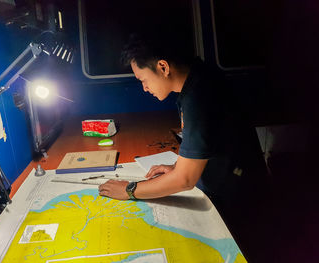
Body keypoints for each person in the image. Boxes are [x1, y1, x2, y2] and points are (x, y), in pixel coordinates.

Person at [98, 32, 270, 261]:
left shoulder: (199, 97)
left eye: (143, 80)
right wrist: (178, 166)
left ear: (163, 67)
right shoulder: (199, 79)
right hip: (231, 182)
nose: (144, 88)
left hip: (240, 204)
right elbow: (210, 142)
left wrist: (129, 190)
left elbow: (185, 180)